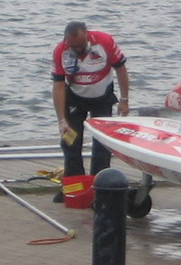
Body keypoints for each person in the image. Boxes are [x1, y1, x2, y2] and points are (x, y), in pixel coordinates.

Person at [52, 21, 130, 179]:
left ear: (86, 35)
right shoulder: (60, 51)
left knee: (102, 145)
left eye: (81, 45)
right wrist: (61, 119)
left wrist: (124, 99)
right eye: (74, 47)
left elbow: (121, 69)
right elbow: (58, 86)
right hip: (75, 98)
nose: (79, 50)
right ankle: (75, 183)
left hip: (102, 97)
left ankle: (99, 183)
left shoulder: (105, 41)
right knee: (70, 143)